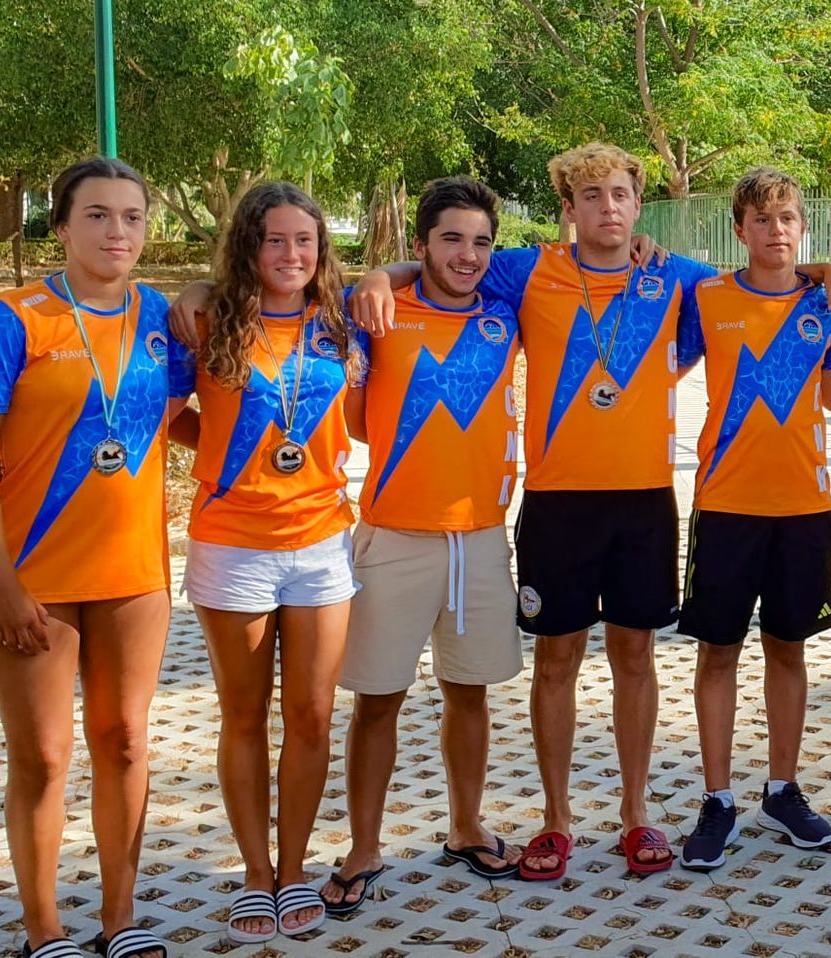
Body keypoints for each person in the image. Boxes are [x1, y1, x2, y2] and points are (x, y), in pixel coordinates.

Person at [347, 144, 831, 879]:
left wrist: (821, 271)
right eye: (591, 197)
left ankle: (636, 813)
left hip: (645, 501)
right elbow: (438, 268)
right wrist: (376, 272)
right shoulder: (525, 270)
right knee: (556, 661)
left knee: (635, 656)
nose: (608, 209)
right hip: (556, 502)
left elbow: (758, 276)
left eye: (619, 195)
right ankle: (556, 822)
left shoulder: (673, 277)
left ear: (636, 204)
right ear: (568, 210)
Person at [0, 157, 176, 958]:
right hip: (30, 576)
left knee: (123, 741)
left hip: (133, 574)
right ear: (62, 226)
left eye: (133, 217)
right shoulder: (10, 319)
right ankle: (45, 930)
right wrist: (2, 582)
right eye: (98, 216)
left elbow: (187, 415)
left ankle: (120, 918)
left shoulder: (163, 319)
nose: (119, 232)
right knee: (43, 756)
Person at [320, 176, 526, 911]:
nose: (467, 256)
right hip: (393, 536)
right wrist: (380, 276)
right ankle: (364, 846)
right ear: (420, 245)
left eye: (480, 242)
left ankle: (467, 826)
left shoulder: (508, 311)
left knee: (468, 695)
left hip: (480, 538)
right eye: (450, 239)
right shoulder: (377, 310)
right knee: (378, 699)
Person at [164, 181, 360, 943]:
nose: (291, 255)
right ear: (248, 245)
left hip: (320, 545)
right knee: (244, 718)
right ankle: (254, 873)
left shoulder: (342, 322)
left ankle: (295, 868)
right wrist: (219, 459)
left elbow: (409, 274)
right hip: (232, 545)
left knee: (310, 719)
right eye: (274, 240)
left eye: (304, 241)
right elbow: (165, 410)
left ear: (321, 249)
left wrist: (383, 275)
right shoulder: (207, 320)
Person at [673, 168, 831, 871]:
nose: (776, 231)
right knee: (717, 651)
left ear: (802, 226)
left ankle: (782, 789)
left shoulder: (823, 304)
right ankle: (717, 798)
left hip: (805, 510)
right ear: (740, 230)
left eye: (787, 218)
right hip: (725, 506)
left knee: (790, 648)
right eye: (761, 220)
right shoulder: (709, 296)